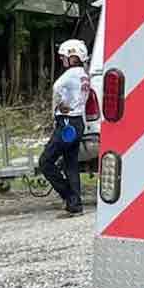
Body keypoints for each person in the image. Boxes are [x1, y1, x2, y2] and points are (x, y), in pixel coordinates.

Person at [40, 38, 91, 217]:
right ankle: (75, 205)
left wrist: (56, 107)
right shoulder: (84, 74)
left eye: (64, 57)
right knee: (70, 164)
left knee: (45, 162)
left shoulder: (71, 74)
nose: (62, 60)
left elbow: (56, 87)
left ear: (73, 56)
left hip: (67, 123)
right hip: (78, 123)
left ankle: (69, 196)